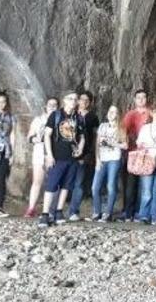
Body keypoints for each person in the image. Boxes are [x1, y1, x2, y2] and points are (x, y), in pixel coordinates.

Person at [37, 91, 83, 228]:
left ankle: (58, 212)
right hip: (57, 157)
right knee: (51, 185)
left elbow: (83, 136)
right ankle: (45, 214)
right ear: (64, 100)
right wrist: (49, 155)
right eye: (70, 99)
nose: (73, 101)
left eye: (75, 99)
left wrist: (80, 148)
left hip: (72, 158)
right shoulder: (56, 115)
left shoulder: (78, 118)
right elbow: (47, 135)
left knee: (66, 186)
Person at [58, 90, 99, 221]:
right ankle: (57, 210)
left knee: (79, 183)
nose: (83, 102)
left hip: (83, 154)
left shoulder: (93, 117)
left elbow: (95, 137)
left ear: (90, 103)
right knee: (62, 181)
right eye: (82, 99)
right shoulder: (68, 114)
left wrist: (89, 154)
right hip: (66, 153)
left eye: (87, 100)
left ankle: (73, 211)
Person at [88, 105, 127, 222]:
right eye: (110, 111)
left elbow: (125, 145)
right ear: (107, 114)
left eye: (114, 112)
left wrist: (112, 143)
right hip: (102, 159)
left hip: (114, 159)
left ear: (118, 115)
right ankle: (97, 211)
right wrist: (97, 159)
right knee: (95, 186)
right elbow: (97, 144)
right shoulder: (102, 126)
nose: (111, 113)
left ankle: (108, 213)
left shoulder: (121, 128)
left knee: (111, 185)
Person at [118, 89, 151, 222]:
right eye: (139, 98)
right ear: (135, 100)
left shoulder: (151, 114)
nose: (141, 100)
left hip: (147, 153)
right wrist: (125, 142)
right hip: (132, 152)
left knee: (144, 184)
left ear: (147, 99)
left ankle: (139, 211)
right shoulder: (130, 114)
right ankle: (127, 211)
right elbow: (122, 130)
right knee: (130, 183)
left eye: (144, 97)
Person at [24, 97, 59, 218]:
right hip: (39, 152)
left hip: (54, 154)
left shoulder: (60, 120)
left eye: (55, 105)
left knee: (53, 183)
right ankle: (31, 208)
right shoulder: (38, 120)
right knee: (37, 181)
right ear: (46, 106)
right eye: (50, 105)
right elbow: (29, 136)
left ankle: (50, 209)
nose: (52, 107)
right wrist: (35, 139)